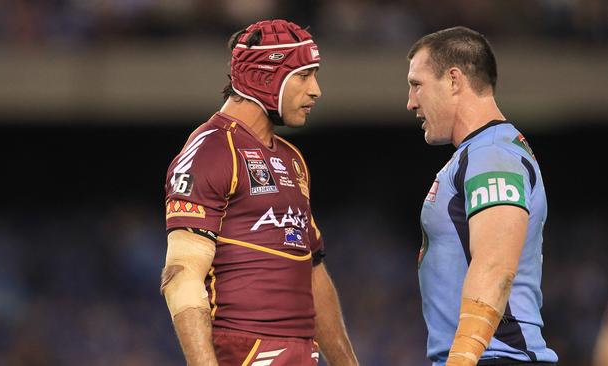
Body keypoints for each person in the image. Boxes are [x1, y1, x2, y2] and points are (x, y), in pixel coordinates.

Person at [160, 19, 359, 366]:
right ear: (264, 78)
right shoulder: (212, 149)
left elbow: (312, 269)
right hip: (245, 353)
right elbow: (181, 274)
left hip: (300, 354)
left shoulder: (291, 159)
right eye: (303, 75)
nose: (316, 90)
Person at [406, 26, 558, 366]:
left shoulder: (491, 154)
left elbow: (495, 265)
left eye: (417, 85)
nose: (411, 101)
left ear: (454, 80)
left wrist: (461, 360)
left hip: (495, 357)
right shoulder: (478, 153)